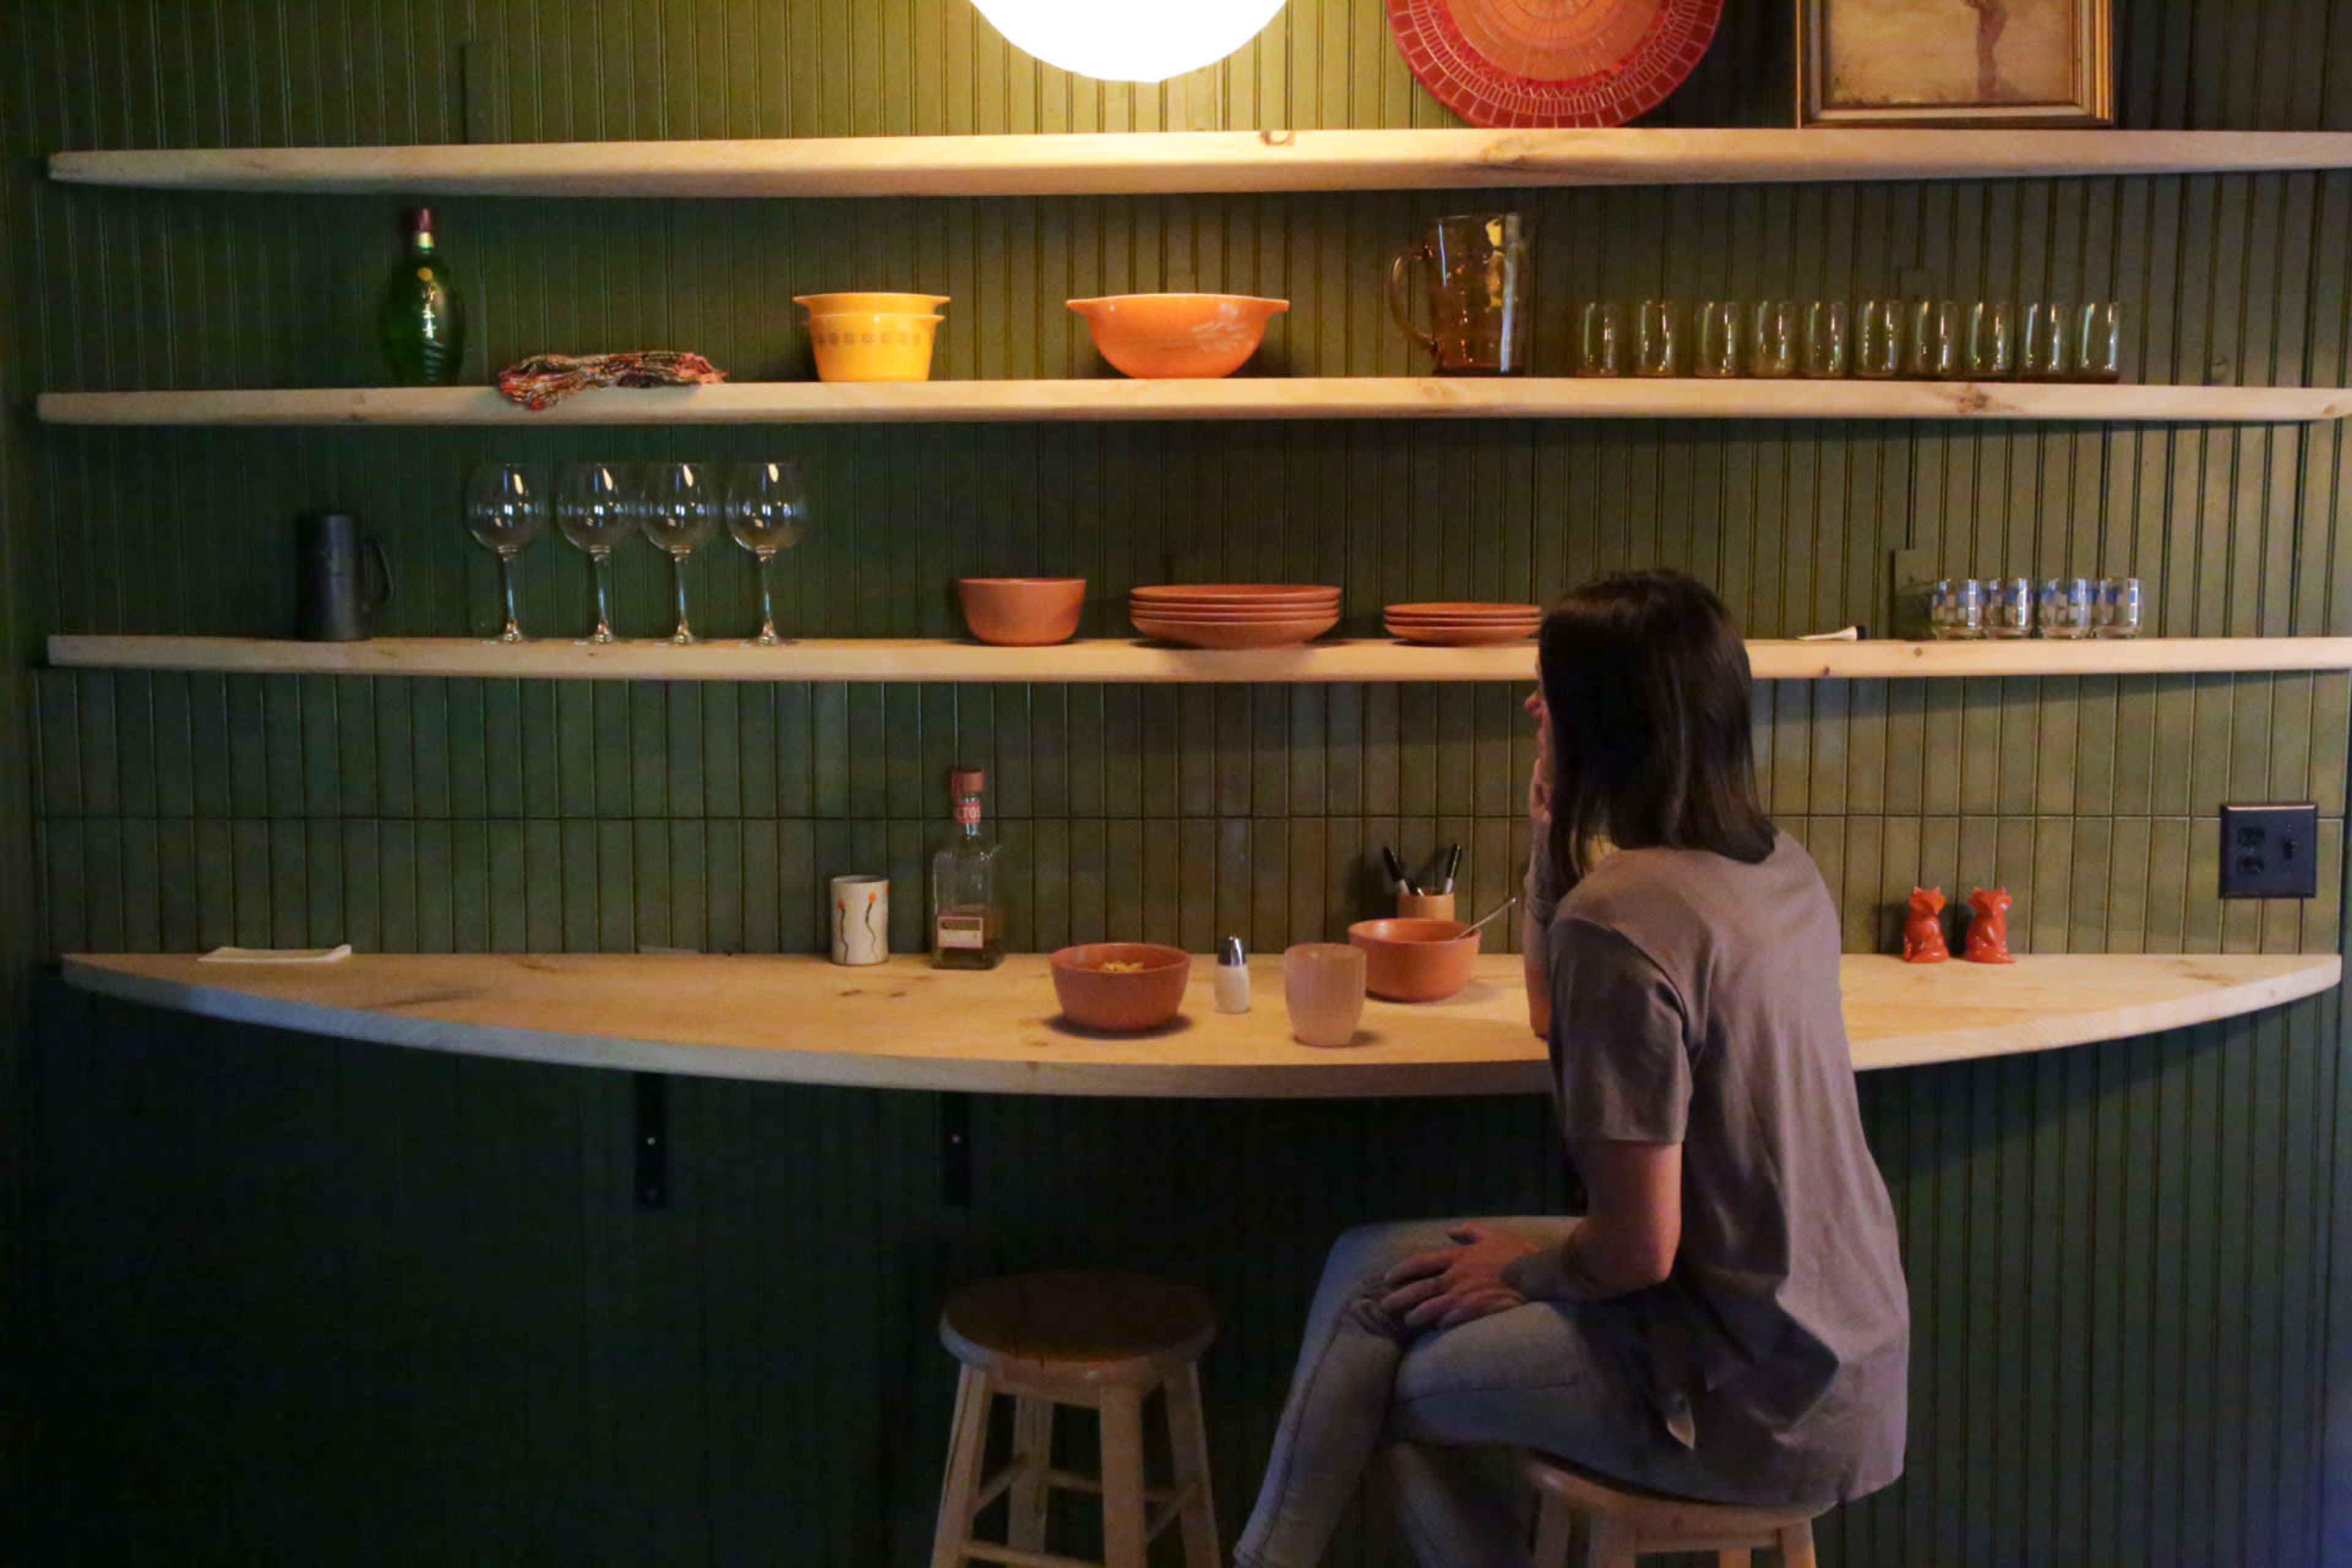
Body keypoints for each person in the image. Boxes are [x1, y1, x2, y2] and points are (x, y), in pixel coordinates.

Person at [1234, 572, 1910, 1567]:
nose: (1530, 706)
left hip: (1753, 1389)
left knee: (1394, 1371)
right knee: (1369, 1262)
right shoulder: (1779, 865)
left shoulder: (1624, 920)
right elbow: (1556, 1014)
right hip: (1834, 1337)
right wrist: (1552, 838)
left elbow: (1634, 1249)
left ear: (1605, 720)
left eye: (1549, 688)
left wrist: (1522, 1272)